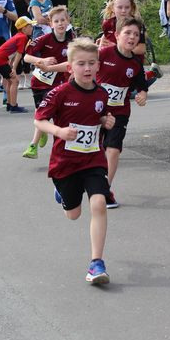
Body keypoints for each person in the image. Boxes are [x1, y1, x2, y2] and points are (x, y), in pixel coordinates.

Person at [33, 37, 116, 284]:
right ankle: (61, 193)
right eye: (81, 64)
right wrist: (58, 131)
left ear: (98, 65)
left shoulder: (101, 93)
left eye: (92, 63)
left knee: (99, 203)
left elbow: (98, 115)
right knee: (73, 214)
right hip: (65, 163)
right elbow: (39, 120)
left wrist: (105, 121)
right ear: (70, 67)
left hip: (93, 159)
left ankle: (96, 263)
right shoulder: (59, 93)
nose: (87, 68)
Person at [96, 16, 149, 208]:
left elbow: (142, 86)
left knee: (113, 149)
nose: (132, 37)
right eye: (127, 33)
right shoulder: (103, 54)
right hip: (95, 111)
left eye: (136, 34)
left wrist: (142, 95)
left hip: (120, 112)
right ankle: (68, 182)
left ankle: (105, 189)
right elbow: (81, 69)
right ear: (117, 35)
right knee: (89, 150)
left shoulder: (135, 64)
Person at [22, 6, 74, 159]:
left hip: (60, 84)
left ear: (68, 21)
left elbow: (73, 61)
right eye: (56, 21)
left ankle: (33, 146)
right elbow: (26, 57)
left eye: (63, 20)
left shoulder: (71, 42)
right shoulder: (44, 39)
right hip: (40, 83)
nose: (60, 23)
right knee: (42, 114)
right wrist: (42, 60)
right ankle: (43, 131)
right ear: (51, 24)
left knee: (52, 115)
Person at [0, 16, 35, 113]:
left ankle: (9, 104)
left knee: (10, 81)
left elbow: (14, 53)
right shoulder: (22, 37)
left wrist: (10, 65)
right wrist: (14, 68)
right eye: (30, 26)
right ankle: (13, 106)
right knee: (15, 81)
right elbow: (19, 54)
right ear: (24, 28)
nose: (32, 28)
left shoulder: (19, 36)